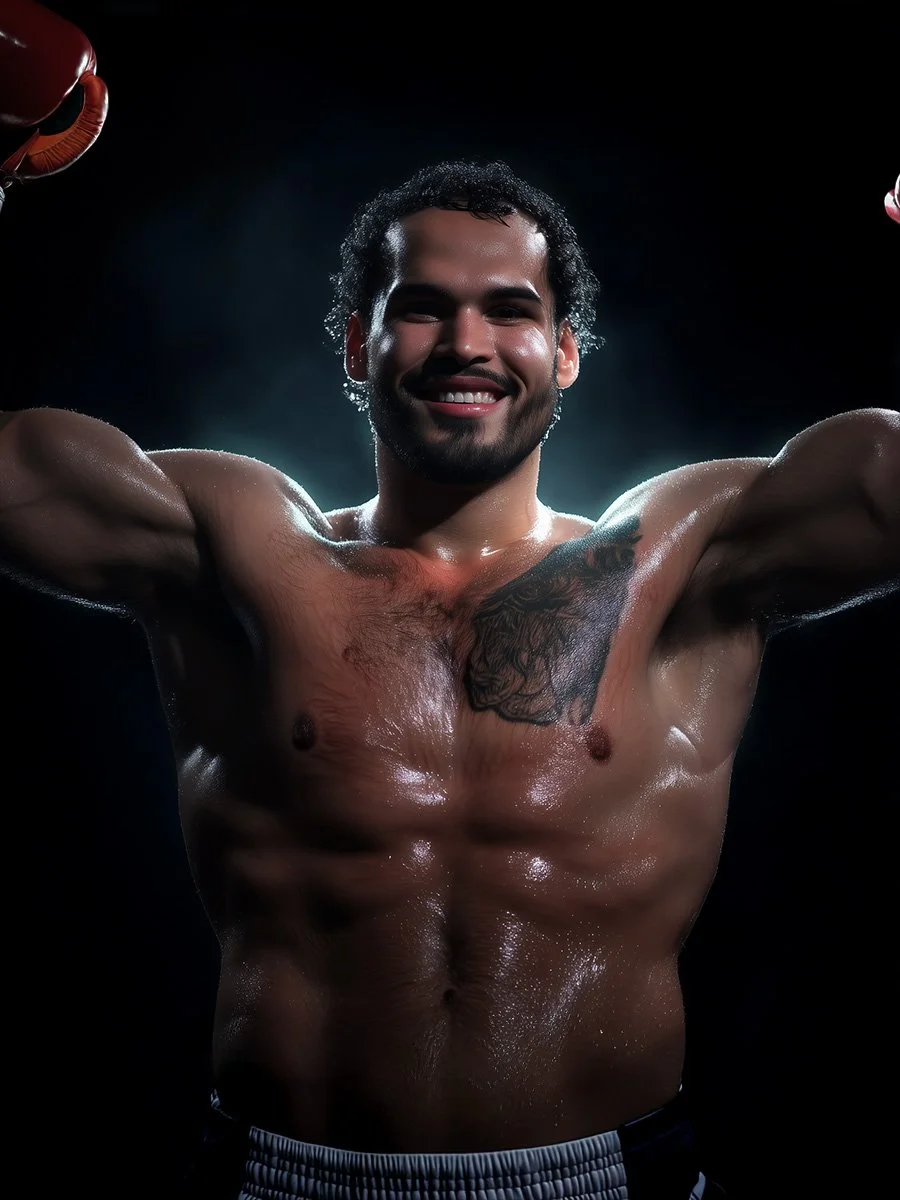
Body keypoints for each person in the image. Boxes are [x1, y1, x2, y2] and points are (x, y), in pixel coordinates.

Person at [2, 8, 899, 1200]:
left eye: (510, 310)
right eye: (421, 306)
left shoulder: (686, 557)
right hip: (288, 1180)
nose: (465, 341)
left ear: (565, 352)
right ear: (357, 346)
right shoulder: (233, 546)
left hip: (602, 1181)